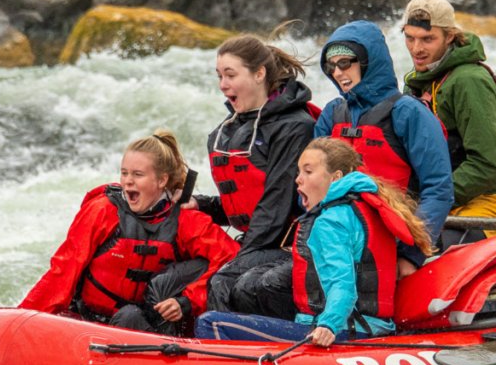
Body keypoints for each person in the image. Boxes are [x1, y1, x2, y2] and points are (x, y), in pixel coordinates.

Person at [195, 138, 435, 346]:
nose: (298, 180)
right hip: (373, 326)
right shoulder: (362, 205)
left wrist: (329, 325)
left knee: (211, 323)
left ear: (335, 177)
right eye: (299, 172)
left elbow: (343, 283)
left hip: (345, 331)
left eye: (308, 172)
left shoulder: (330, 221)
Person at [20, 131, 239, 333]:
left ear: (161, 180)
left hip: (148, 323)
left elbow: (232, 259)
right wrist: (23, 318)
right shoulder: (102, 211)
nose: (127, 181)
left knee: (132, 315)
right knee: (128, 316)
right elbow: (63, 271)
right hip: (90, 323)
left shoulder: (185, 220)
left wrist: (189, 301)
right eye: (124, 173)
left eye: (137, 174)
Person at [188, 33, 317, 317]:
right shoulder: (227, 131)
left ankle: (223, 352)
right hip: (255, 241)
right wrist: (202, 205)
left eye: (230, 75)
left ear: (259, 74)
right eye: (219, 76)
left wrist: (239, 256)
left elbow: (276, 208)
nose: (223, 85)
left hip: (287, 245)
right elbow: (246, 204)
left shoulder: (294, 127)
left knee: (223, 281)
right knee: (178, 275)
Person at [314, 20, 453, 254]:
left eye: (345, 63)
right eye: (331, 66)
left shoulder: (409, 113)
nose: (338, 73)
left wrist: (411, 256)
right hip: (337, 243)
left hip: (394, 244)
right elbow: (310, 185)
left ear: (368, 62)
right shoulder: (331, 115)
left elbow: (438, 190)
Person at [400, 0, 496, 239]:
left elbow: (486, 165)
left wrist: (430, 201)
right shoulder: (420, 81)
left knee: (427, 246)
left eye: (428, 39)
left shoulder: (469, 81)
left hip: (494, 198)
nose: (417, 48)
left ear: (449, 36)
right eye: (410, 38)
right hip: (447, 197)